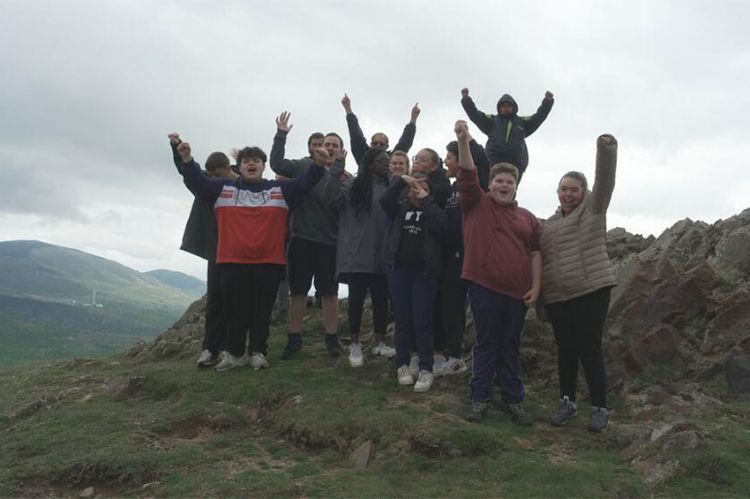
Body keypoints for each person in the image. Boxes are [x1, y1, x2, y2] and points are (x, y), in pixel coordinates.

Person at [173, 137, 327, 371]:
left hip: (269, 262)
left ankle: (257, 352)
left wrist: (318, 164)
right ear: (239, 166)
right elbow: (196, 181)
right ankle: (235, 354)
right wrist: (185, 158)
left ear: (263, 166)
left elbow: (306, 182)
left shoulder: (280, 190)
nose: (251, 164)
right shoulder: (222, 189)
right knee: (234, 311)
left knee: (261, 310)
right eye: (246, 161)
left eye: (256, 160)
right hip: (231, 261)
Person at [453, 120, 542, 425]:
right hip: (484, 286)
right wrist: (464, 140)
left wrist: (537, 286)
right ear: (490, 184)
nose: (504, 186)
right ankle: (479, 399)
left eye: (510, 182)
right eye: (499, 181)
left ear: (517, 186)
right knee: (486, 343)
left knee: (510, 347)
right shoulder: (475, 204)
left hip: (518, 292)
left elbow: (535, 252)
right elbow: (467, 173)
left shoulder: (528, 218)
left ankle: (513, 400)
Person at [539, 134, 618, 433]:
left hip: (591, 290)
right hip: (559, 297)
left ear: (584, 192)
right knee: (565, 350)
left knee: (589, 348)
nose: (568, 194)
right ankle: (567, 402)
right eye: (563, 189)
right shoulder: (548, 226)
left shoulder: (593, 210)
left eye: (574, 189)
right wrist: (541, 301)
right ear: (557, 192)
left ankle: (600, 407)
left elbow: (606, 181)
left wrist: (605, 148)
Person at [270, 112, 348, 358]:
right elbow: (276, 165)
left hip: (330, 242)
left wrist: (337, 173)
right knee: (299, 291)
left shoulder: (347, 178)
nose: (330, 148)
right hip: (301, 238)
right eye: (327, 144)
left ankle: (332, 340)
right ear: (320, 147)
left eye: (335, 145)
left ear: (341, 151)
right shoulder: (304, 165)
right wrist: (281, 134)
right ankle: (294, 338)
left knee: (329, 293)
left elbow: (337, 203)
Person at [169, 133, 236, 368]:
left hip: (239, 252)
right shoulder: (206, 185)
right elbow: (189, 173)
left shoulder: (242, 185)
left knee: (234, 302)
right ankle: (210, 348)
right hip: (216, 250)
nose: (214, 179)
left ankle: (231, 348)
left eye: (218, 175)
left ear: (229, 169)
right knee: (216, 301)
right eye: (211, 176)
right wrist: (177, 148)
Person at [380, 172, 447, 393]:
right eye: (414, 186)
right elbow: (384, 200)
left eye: (422, 187)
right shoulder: (399, 207)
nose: (417, 190)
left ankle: (426, 368)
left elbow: (442, 228)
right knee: (402, 320)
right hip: (398, 271)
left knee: (423, 321)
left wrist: (427, 200)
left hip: (425, 273)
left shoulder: (434, 209)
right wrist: (401, 180)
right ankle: (402, 365)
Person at [330, 148, 395, 367]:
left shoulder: (390, 186)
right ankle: (355, 344)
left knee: (380, 301)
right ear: (368, 164)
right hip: (357, 252)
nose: (386, 163)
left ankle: (379, 342)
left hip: (382, 252)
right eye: (381, 160)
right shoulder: (354, 184)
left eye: (388, 160)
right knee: (356, 300)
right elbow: (331, 200)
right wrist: (337, 168)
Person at [432, 132, 490, 376]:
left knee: (465, 307)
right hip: (449, 255)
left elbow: (483, 163)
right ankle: (451, 354)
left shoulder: (474, 184)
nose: (446, 162)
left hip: (469, 254)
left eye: (449, 157)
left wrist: (466, 139)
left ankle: (459, 357)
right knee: (450, 306)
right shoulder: (450, 188)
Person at [460, 87, 554, 183]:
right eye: (503, 106)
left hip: (516, 165)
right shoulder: (491, 121)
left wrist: (547, 101)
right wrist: (466, 99)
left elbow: (539, 117)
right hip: (493, 163)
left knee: (510, 191)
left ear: (513, 108)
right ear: (499, 108)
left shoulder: (522, 122)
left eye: (509, 106)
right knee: (491, 190)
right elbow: (475, 115)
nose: (506, 108)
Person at [341, 93, 419, 166]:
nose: (378, 145)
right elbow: (356, 136)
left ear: (387, 146)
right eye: (375, 143)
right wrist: (348, 109)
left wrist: (413, 119)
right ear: (371, 144)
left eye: (381, 144)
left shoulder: (392, 160)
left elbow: (405, 142)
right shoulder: (363, 156)